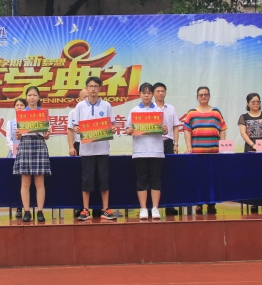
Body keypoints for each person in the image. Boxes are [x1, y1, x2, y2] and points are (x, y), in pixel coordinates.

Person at [71, 77, 117, 221]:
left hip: (102, 149)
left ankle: (105, 209)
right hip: (86, 150)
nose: (93, 89)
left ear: (100, 88)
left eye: (95, 86)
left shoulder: (106, 105)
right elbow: (75, 125)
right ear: (86, 88)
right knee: (87, 179)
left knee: (104, 179)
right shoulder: (80, 106)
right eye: (90, 86)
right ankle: (85, 210)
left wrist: (113, 129)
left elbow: (112, 125)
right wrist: (77, 129)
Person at [125, 82, 168, 220]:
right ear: (140, 94)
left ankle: (155, 208)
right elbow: (127, 129)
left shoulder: (159, 111)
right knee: (142, 179)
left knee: (155, 179)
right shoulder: (134, 111)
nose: (146, 95)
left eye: (149, 93)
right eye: (144, 93)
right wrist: (130, 130)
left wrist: (165, 129)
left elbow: (164, 129)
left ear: (152, 94)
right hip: (140, 151)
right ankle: (143, 208)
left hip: (156, 151)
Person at [183, 86, 227, 215]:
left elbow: (223, 129)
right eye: (201, 95)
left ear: (209, 96)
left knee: (212, 179)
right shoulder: (192, 113)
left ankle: (212, 203)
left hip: (213, 153)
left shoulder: (216, 112)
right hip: (197, 153)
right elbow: (187, 130)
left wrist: (222, 145)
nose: (203, 97)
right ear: (197, 97)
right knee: (198, 179)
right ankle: (199, 203)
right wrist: (189, 147)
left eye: (206, 94)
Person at [13, 86, 51, 223]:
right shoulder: (21, 114)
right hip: (25, 145)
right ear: (26, 97)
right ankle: (27, 211)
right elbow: (18, 136)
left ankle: (40, 211)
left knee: (40, 182)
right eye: (29, 95)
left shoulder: (43, 113)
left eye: (34, 95)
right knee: (25, 182)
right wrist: (18, 134)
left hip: (39, 144)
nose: (32, 97)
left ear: (38, 97)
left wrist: (47, 134)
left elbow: (46, 135)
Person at [153, 82, 182, 216]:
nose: (160, 93)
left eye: (162, 91)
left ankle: (170, 206)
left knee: (169, 174)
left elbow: (176, 127)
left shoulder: (171, 108)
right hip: (154, 143)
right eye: (158, 91)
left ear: (165, 93)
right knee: (155, 174)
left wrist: (176, 143)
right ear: (153, 93)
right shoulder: (149, 109)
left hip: (168, 143)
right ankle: (154, 206)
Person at [68, 89, 88, 218]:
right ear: (79, 99)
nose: (86, 99)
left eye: (88, 96)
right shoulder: (73, 112)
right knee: (79, 177)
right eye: (84, 97)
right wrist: (71, 147)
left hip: (94, 145)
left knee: (92, 176)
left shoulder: (97, 109)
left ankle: (95, 207)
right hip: (79, 145)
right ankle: (79, 207)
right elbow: (70, 131)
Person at [5, 98, 27, 218]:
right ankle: (18, 206)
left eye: (21, 105)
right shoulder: (11, 122)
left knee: (27, 181)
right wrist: (15, 149)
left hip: (28, 153)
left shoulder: (30, 121)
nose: (19, 107)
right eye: (17, 105)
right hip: (15, 154)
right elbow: (8, 138)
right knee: (17, 182)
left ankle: (27, 206)